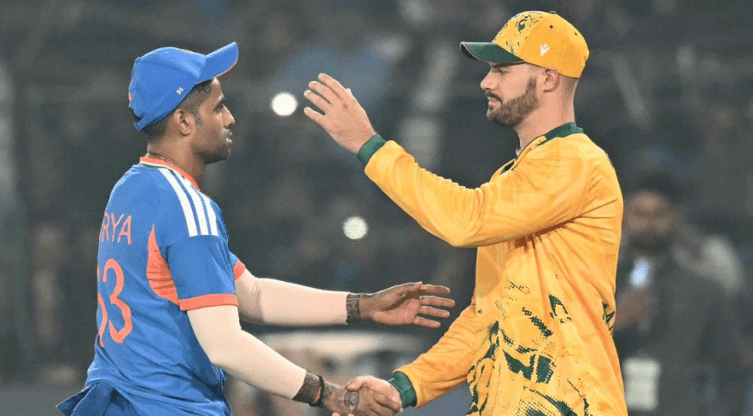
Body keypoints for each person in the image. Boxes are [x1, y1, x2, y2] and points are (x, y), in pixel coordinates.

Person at [57, 42, 456, 416]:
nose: (230, 118)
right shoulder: (186, 207)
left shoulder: (131, 189)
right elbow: (225, 346)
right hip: (168, 405)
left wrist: (363, 305)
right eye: (218, 108)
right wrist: (331, 394)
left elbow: (250, 294)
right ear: (184, 121)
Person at [304, 10, 628, 416]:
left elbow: (466, 221)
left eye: (502, 70)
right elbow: (489, 317)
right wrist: (405, 387)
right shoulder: (516, 176)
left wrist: (369, 146)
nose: (486, 82)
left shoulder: (574, 161)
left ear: (548, 78)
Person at [613, 172, 746, 416]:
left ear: (675, 218)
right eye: (639, 214)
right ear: (624, 217)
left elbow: (732, 371)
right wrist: (614, 323)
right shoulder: (598, 288)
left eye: (658, 214)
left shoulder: (704, 293)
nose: (648, 224)